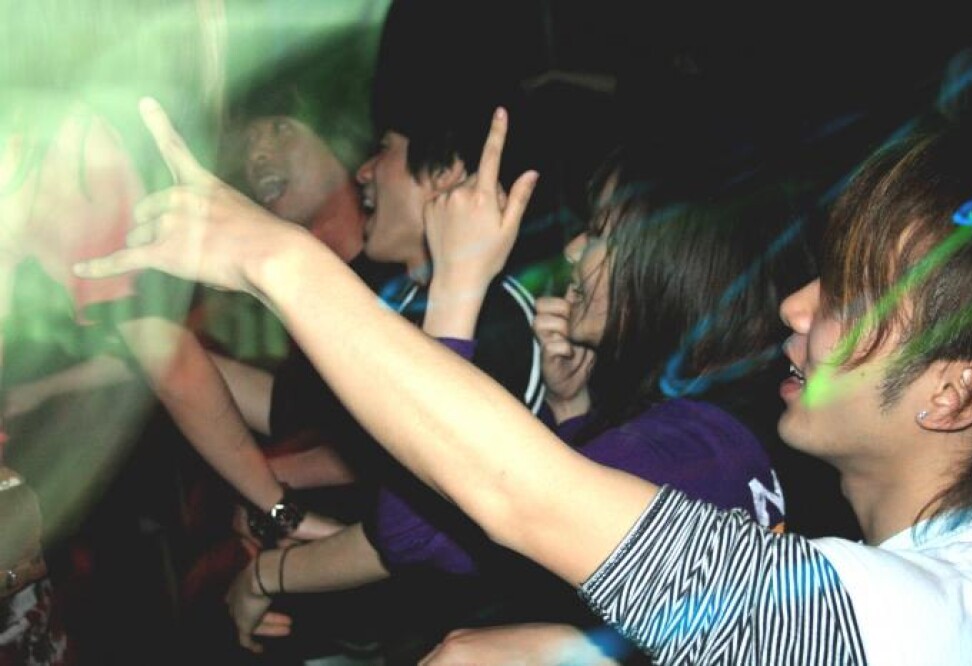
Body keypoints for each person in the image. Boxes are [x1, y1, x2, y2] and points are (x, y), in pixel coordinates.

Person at [80, 100, 972, 664]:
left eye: (853, 300)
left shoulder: (925, 628)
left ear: (956, 392)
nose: (797, 304)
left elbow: (482, 510)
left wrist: (276, 259)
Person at [221, 144, 806, 658]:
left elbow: (414, 530)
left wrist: (457, 287)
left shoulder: (686, 448)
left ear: (674, 261)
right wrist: (572, 409)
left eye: (601, 231)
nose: (575, 249)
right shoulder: (716, 433)